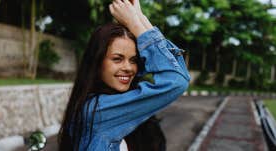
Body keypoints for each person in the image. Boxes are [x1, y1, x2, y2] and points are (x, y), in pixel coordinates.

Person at [58, 0, 190, 150]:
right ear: (97, 62)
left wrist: (140, 17)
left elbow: (176, 70)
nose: (128, 68)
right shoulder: (96, 111)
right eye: (117, 59)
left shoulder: (125, 105)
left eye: (134, 60)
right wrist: (134, 22)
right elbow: (176, 80)